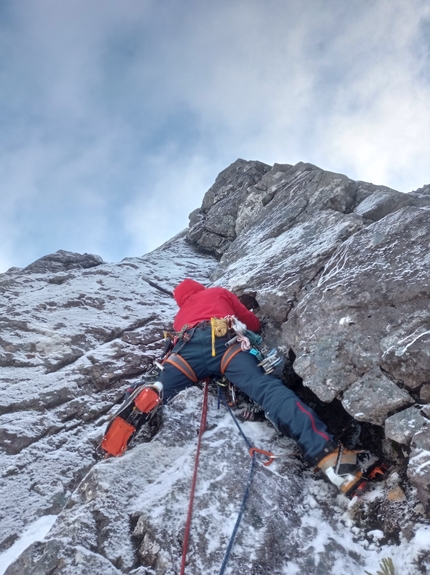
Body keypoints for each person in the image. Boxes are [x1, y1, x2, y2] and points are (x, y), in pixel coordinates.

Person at [159, 278, 365, 497]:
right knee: (267, 390)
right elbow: (251, 322)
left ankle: (131, 415)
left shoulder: (179, 317)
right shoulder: (217, 292)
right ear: (199, 288)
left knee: (158, 389)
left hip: (185, 349)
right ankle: (329, 458)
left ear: (181, 301)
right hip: (224, 345)